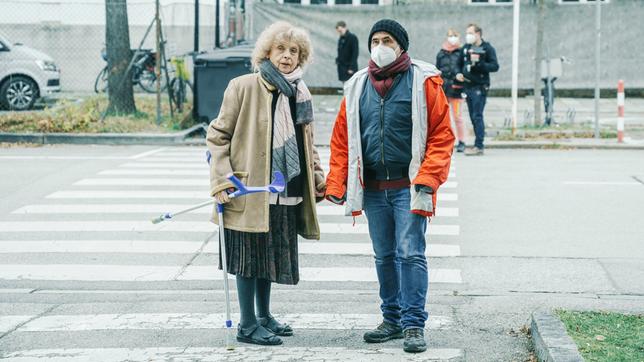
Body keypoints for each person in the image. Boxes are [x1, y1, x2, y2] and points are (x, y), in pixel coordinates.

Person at [325, 19, 454, 354]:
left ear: (401, 46)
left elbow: (442, 136)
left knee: (411, 253)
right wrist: (337, 183)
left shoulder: (423, 81)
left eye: (387, 40)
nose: (380, 46)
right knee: (384, 256)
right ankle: (392, 319)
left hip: (409, 186)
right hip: (373, 190)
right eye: (376, 40)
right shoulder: (356, 85)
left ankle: (413, 324)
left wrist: (428, 178)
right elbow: (342, 140)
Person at [207, 21, 326, 346]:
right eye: (281, 50)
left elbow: (308, 141)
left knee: (268, 253)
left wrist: (316, 175)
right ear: (267, 52)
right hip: (248, 188)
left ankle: (263, 316)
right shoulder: (243, 86)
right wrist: (221, 179)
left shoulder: (299, 93)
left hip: (285, 188)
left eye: (294, 51)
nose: (287, 57)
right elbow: (217, 136)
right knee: (249, 255)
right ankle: (247, 325)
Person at [456, 23, 499, 156]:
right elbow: (458, 64)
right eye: (467, 33)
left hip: (480, 87)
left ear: (478, 34)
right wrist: (458, 73)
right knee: (472, 116)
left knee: (477, 115)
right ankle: (476, 144)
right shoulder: (466, 48)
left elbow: (494, 66)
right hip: (467, 86)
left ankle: (479, 145)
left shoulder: (487, 48)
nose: (468, 36)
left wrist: (480, 64)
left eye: (470, 33)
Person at [436, 28, 466, 152]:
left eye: (455, 35)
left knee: (458, 117)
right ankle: (446, 141)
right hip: (443, 90)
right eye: (450, 35)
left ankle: (462, 141)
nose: (452, 38)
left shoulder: (462, 53)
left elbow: (465, 70)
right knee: (443, 118)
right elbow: (437, 70)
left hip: (456, 90)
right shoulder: (441, 53)